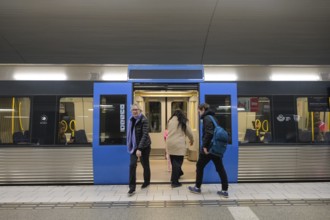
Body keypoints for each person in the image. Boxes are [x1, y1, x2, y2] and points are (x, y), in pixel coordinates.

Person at [188, 103, 229, 198]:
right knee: (220, 168)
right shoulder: (214, 118)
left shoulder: (206, 118)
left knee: (199, 165)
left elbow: (209, 133)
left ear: (202, 109)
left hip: (209, 148)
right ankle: (224, 190)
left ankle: (197, 188)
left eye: (199, 110)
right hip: (216, 148)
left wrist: (205, 147)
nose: (198, 113)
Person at [127, 103, 151, 196]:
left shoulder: (144, 120)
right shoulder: (130, 120)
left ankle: (146, 181)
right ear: (131, 111)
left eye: (136, 109)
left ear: (140, 110)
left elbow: (145, 135)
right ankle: (132, 188)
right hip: (133, 147)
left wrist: (140, 148)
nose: (135, 111)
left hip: (144, 146)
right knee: (132, 165)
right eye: (133, 110)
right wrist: (134, 147)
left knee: (145, 164)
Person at [166, 109, 194, 188]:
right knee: (178, 162)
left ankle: (179, 173)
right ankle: (174, 182)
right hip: (178, 143)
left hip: (170, 143)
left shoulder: (170, 120)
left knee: (174, 161)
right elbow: (189, 132)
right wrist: (192, 140)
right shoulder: (183, 121)